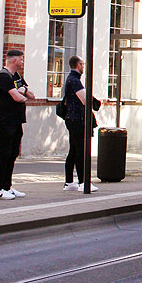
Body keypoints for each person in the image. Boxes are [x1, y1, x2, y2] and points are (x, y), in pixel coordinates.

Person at [0, 49, 34, 200]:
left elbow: (31, 95)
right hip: (5, 121)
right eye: (22, 59)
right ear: (14, 60)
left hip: (16, 120)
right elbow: (18, 98)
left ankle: (7, 186)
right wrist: (21, 91)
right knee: (5, 153)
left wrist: (23, 90)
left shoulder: (17, 76)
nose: (23, 62)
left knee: (13, 153)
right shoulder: (3, 76)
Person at [61, 55, 98, 192]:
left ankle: (69, 182)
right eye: (82, 64)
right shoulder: (75, 80)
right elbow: (84, 99)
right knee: (81, 150)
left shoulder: (70, 79)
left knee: (73, 150)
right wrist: (94, 101)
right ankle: (83, 182)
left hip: (71, 118)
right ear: (78, 65)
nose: (84, 66)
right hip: (77, 119)